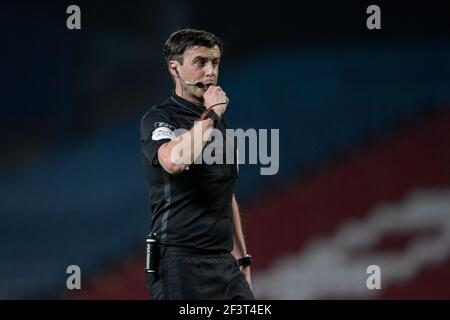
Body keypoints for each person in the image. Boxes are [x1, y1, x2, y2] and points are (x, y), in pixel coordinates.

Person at [140, 29, 254, 300]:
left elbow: (225, 193)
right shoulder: (159, 118)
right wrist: (212, 114)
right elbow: (174, 161)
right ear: (175, 68)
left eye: (215, 62)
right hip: (179, 261)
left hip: (223, 265)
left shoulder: (216, 123)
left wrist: (242, 259)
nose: (210, 71)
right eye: (201, 62)